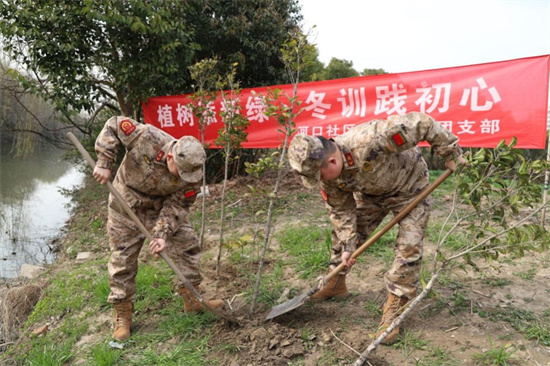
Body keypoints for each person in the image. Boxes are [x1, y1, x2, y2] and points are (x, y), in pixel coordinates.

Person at [288, 112, 466, 344]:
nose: (319, 181)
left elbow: (423, 123)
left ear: (332, 161)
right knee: (342, 241)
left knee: (409, 247)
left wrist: (450, 152)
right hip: (372, 195)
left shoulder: (370, 140)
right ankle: (335, 283)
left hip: (410, 188)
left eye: (317, 175)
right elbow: (341, 212)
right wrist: (349, 246)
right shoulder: (329, 177)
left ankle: (396, 305)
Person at [93, 116, 224, 342]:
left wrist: (162, 234)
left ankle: (192, 299)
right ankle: (123, 314)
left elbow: (177, 205)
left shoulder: (193, 172)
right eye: (179, 172)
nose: (184, 178)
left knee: (187, 243)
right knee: (122, 259)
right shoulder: (147, 137)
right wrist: (104, 162)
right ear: (170, 156)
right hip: (125, 204)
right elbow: (113, 125)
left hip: (159, 207)